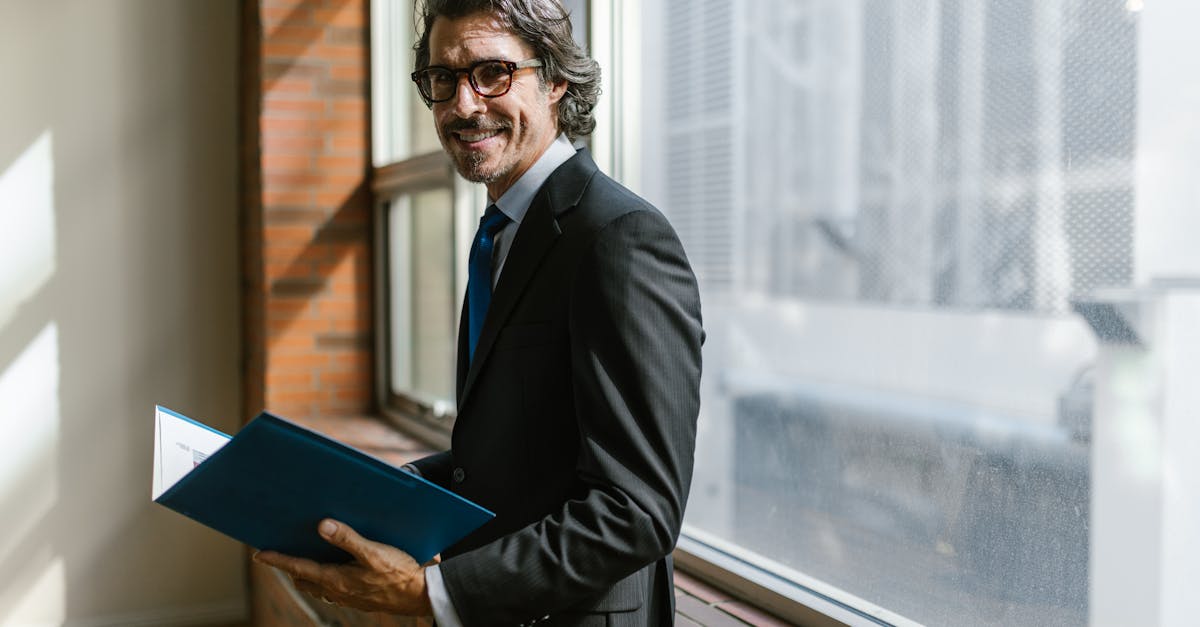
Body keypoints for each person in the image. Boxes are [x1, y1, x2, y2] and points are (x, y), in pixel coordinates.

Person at [255, 0, 703, 624]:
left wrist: (430, 595)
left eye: (492, 73)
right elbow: (519, 456)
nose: (463, 105)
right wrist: (377, 494)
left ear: (554, 82)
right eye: (443, 79)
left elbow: (637, 511)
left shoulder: (620, 238)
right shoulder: (504, 231)